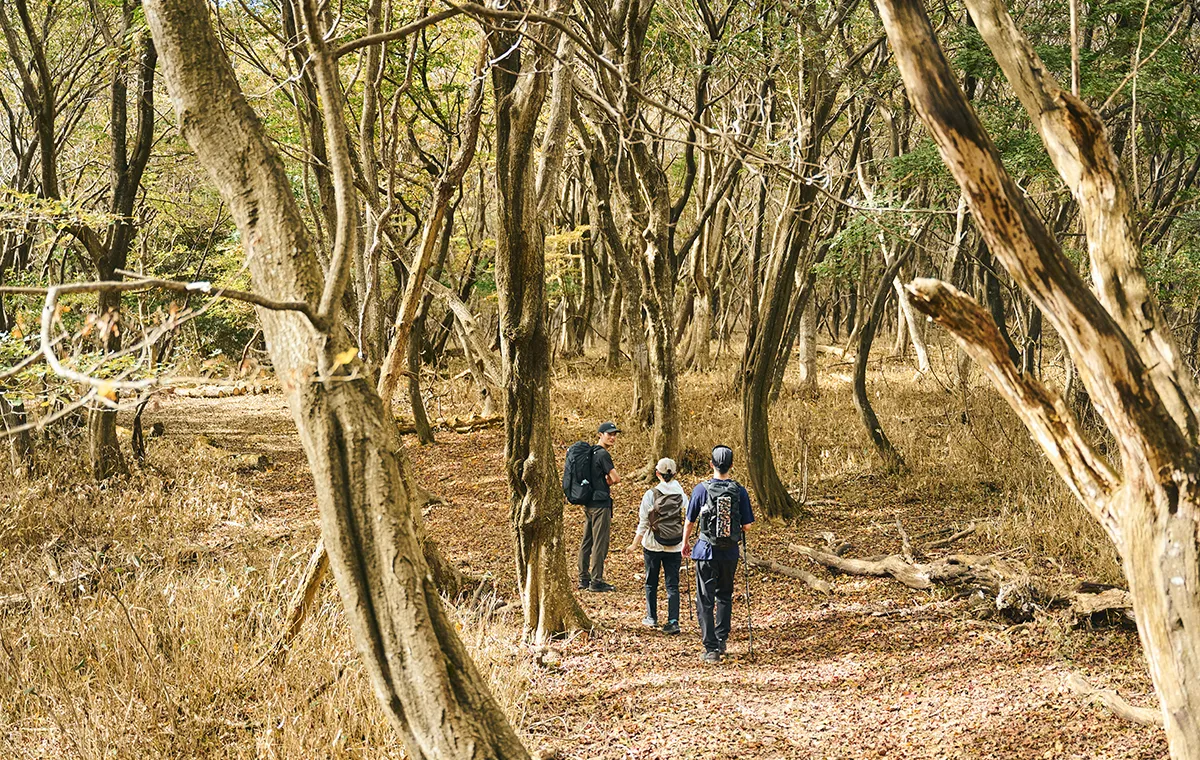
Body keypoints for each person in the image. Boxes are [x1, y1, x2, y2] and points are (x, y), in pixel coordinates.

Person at [681, 444, 754, 663]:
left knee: (705, 599)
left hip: (705, 551)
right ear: (731, 465)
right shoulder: (739, 490)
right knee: (724, 596)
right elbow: (747, 526)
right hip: (729, 552)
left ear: (711, 464)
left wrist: (685, 543)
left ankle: (710, 648)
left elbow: (689, 521)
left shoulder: (701, 490)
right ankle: (722, 641)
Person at [626, 457, 685, 634]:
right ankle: (673, 621)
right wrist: (686, 540)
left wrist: (634, 544)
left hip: (652, 545)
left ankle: (651, 617)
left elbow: (643, 522)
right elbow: (689, 516)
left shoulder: (651, 494)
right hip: (675, 545)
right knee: (672, 585)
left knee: (651, 582)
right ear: (675, 473)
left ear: (657, 473)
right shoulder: (681, 494)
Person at [578, 421, 621, 592]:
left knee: (587, 541)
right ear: (600, 435)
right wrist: (608, 481)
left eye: (614, 434)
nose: (612, 437)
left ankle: (583, 578)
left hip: (588, 502)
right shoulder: (602, 454)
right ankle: (596, 580)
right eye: (609, 434)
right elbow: (616, 478)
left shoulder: (589, 452)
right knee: (599, 543)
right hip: (601, 504)